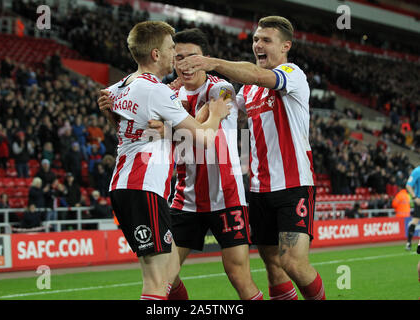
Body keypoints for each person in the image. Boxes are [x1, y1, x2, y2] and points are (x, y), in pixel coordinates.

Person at [178, 16, 325, 300]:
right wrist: (182, 88)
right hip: (258, 191)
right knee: (273, 267)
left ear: (285, 46)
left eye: (266, 40)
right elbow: (221, 108)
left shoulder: (292, 74)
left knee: (293, 263)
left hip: (293, 186)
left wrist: (213, 63)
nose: (258, 44)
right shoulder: (247, 92)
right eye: (256, 39)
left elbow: (257, 75)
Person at [97, 21, 231, 300]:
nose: (175, 55)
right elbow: (204, 137)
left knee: (167, 273)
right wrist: (216, 113)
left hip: (122, 187)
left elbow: (131, 131)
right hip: (144, 188)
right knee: (157, 282)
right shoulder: (156, 90)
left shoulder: (118, 88)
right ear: (156, 54)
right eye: (172, 49)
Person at [160, 28, 262, 300]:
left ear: (204, 58)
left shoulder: (223, 89)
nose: (185, 64)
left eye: (192, 57)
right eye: (178, 57)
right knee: (163, 278)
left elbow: (207, 132)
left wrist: (169, 122)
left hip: (226, 196)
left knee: (239, 276)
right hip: (185, 199)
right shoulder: (168, 95)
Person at [405, 166, 420, 251]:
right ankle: (409, 242)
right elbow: (408, 185)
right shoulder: (417, 171)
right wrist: (414, 198)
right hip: (419, 200)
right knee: (415, 220)